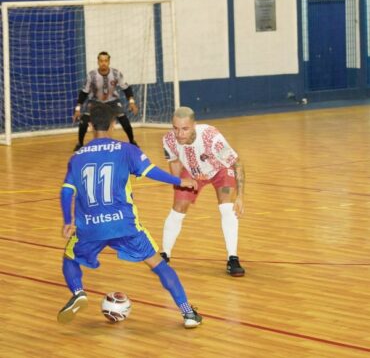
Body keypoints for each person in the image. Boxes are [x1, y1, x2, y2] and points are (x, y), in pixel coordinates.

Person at [58, 103, 202, 328]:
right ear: (114, 124)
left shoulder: (77, 157)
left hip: (90, 227)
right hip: (124, 226)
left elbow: (67, 191)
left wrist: (68, 221)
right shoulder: (126, 150)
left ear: (90, 126)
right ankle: (188, 313)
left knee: (69, 259)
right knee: (159, 265)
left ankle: (78, 292)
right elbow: (151, 171)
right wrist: (179, 181)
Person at [161, 106, 245, 277]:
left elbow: (237, 164)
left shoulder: (211, 138)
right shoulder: (169, 140)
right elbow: (175, 162)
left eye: (185, 129)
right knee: (178, 208)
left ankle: (233, 258)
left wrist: (241, 196)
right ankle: (164, 255)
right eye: (175, 128)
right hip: (192, 173)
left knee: (227, 208)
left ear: (194, 125)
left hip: (219, 170)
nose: (179, 134)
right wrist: (179, 184)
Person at [72, 51, 139, 151]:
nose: (103, 63)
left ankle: (132, 141)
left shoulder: (116, 73)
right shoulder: (91, 75)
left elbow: (126, 88)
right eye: (101, 61)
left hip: (112, 101)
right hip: (95, 101)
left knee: (124, 120)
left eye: (106, 61)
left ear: (109, 62)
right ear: (98, 62)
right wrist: (77, 108)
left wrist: (132, 102)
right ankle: (80, 143)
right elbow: (84, 92)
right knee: (84, 121)